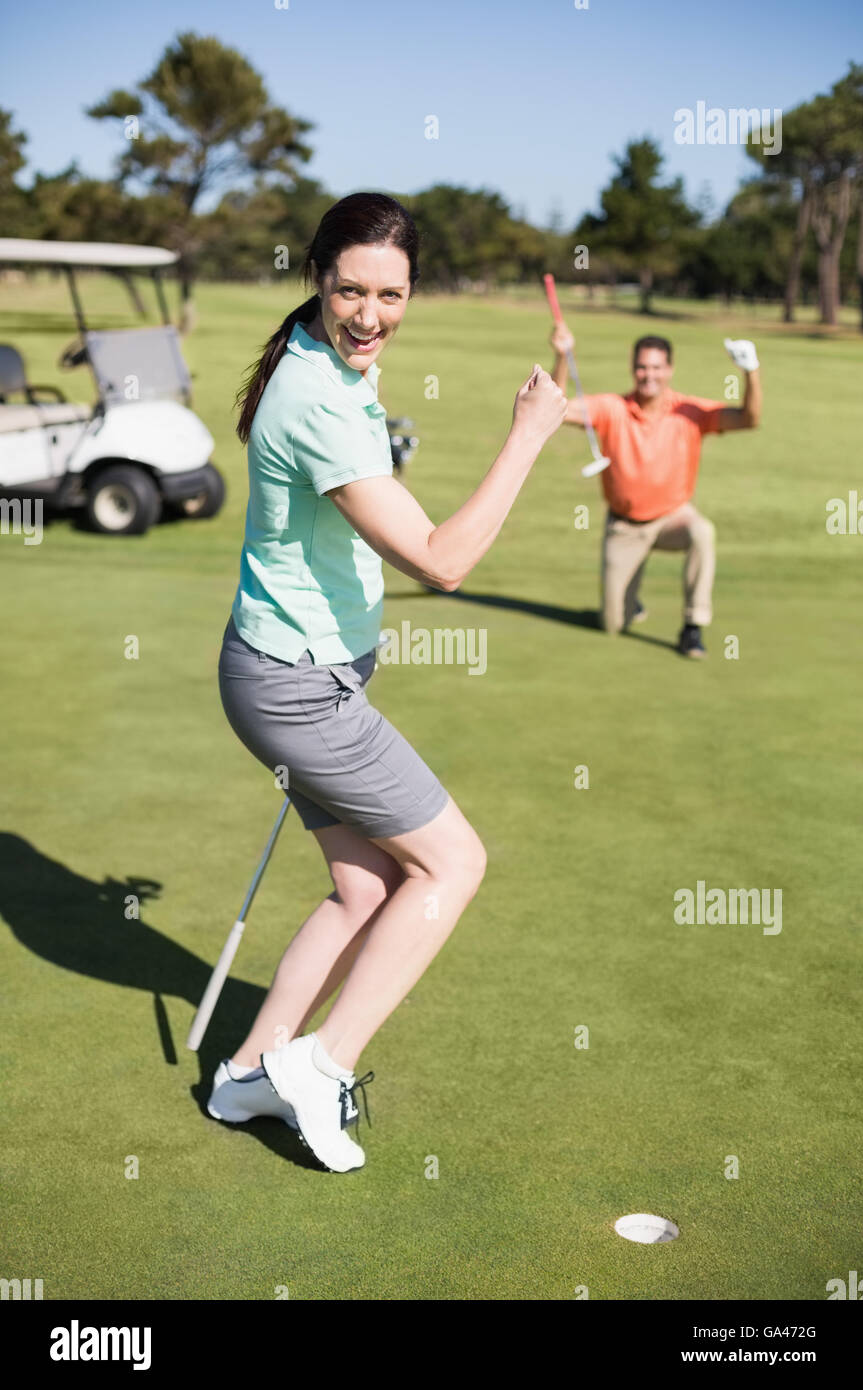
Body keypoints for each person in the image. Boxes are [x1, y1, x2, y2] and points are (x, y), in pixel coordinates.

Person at [211, 192, 566, 1172]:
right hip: (296, 689)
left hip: (280, 672)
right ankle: (321, 1067)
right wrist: (531, 434)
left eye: (390, 293)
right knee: (452, 864)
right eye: (349, 290)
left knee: (364, 883)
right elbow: (441, 561)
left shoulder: (323, 358)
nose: (370, 313)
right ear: (317, 279)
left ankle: (246, 1074)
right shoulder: (320, 398)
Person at [550, 326, 762, 656]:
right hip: (624, 526)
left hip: (672, 519)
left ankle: (693, 628)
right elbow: (557, 407)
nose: (649, 375)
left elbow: (748, 419)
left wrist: (750, 372)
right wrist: (562, 356)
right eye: (642, 367)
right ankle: (629, 603)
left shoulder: (688, 411)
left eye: (656, 367)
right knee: (611, 625)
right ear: (633, 369)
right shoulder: (612, 408)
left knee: (702, 531)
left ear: (670, 370)